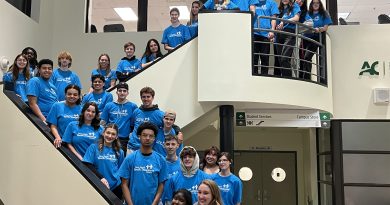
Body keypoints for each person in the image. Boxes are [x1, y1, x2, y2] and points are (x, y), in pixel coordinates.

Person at [118, 122, 167, 205]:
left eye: (151, 136)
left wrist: (154, 203)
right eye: (144, 135)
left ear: (154, 138)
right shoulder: (130, 158)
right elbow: (124, 184)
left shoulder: (161, 160)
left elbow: (161, 185)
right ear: (139, 136)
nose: (147, 138)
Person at [83, 123, 124, 198]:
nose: (110, 136)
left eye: (113, 134)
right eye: (108, 133)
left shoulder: (120, 152)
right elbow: (87, 164)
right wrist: (101, 178)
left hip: (115, 187)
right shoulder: (93, 147)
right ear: (103, 133)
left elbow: (121, 170)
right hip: (98, 184)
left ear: (116, 136)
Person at [100, 82, 137, 152]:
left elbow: (133, 123)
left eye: (124, 91)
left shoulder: (133, 106)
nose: (122, 93)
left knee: (120, 158)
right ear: (116, 92)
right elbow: (103, 123)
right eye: (120, 91)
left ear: (127, 93)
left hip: (124, 139)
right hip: (109, 137)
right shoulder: (109, 105)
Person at [299, 0, 332, 81]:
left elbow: (325, 27)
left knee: (307, 57)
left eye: (317, 3)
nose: (316, 4)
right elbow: (302, 25)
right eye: (314, 3)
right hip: (305, 37)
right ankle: (301, 77)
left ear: (320, 4)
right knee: (301, 57)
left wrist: (319, 29)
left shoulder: (324, 13)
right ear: (311, 4)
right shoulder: (308, 13)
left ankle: (307, 78)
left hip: (316, 38)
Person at [127, 86, 164, 153]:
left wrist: (178, 131)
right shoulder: (136, 111)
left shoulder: (160, 114)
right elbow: (131, 126)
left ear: (152, 98)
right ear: (141, 98)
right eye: (144, 97)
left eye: (148, 96)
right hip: (132, 147)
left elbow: (169, 126)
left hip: (149, 149)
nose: (146, 99)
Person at [274, 0, 301, 77]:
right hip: (279, 35)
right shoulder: (279, 9)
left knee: (284, 59)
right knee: (280, 60)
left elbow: (296, 18)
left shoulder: (294, 6)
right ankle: (284, 78)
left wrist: (284, 21)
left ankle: (288, 79)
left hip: (289, 34)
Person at [252, 0, 279, 75]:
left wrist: (272, 31)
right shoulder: (252, 2)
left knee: (265, 58)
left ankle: (264, 77)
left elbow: (273, 18)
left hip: (265, 34)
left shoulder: (272, 3)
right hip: (254, 33)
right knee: (254, 58)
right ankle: (254, 77)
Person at [161, 134, 181, 204]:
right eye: (168, 144)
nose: (170, 147)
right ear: (164, 145)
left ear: (177, 145)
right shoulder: (160, 163)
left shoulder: (183, 164)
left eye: (173, 144)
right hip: (162, 200)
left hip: (178, 201)